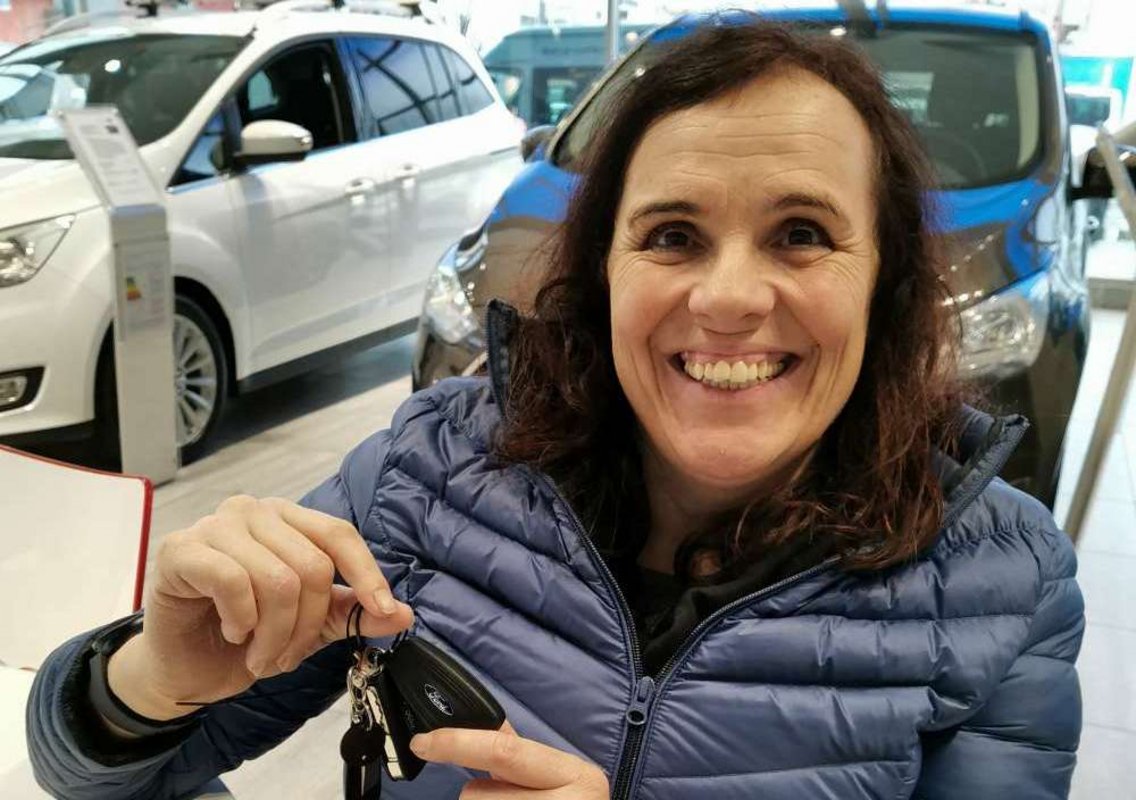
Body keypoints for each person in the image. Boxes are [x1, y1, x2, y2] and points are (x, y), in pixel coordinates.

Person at [27, 18, 1083, 800]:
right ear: (602, 271)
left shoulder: (1000, 585)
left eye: (801, 233)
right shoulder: (429, 474)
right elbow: (95, 773)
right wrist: (145, 679)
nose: (726, 298)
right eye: (671, 235)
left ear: (884, 282)